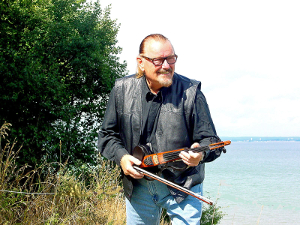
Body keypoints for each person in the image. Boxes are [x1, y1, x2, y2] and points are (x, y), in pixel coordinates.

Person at [98, 34, 224, 225]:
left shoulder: (192, 92)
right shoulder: (121, 89)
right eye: (158, 60)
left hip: (183, 188)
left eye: (171, 58)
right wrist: (122, 157)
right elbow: (107, 136)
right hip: (138, 188)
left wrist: (199, 155)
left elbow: (213, 142)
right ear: (141, 62)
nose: (166, 65)